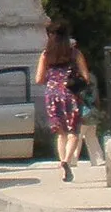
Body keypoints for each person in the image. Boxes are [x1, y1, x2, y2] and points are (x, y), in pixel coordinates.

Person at [35, 22, 92, 180]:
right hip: (71, 94)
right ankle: (67, 160)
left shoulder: (46, 55)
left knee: (61, 134)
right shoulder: (75, 53)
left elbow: (38, 79)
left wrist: (52, 78)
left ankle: (62, 165)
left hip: (52, 95)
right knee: (73, 132)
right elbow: (86, 77)